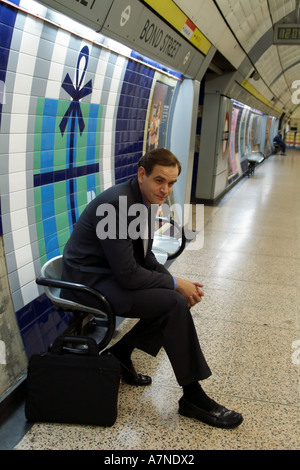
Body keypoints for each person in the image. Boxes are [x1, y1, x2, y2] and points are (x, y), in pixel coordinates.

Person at [61, 148, 243, 429]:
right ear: (141, 173)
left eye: (171, 183)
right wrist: (174, 284)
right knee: (172, 303)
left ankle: (120, 355)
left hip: (108, 275)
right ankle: (193, 396)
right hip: (88, 284)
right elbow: (130, 276)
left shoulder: (141, 200)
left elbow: (143, 258)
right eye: (160, 181)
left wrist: (178, 284)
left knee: (171, 300)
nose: (165, 190)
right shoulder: (119, 205)